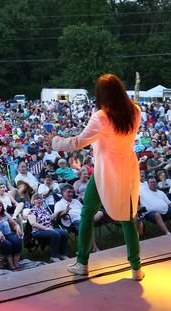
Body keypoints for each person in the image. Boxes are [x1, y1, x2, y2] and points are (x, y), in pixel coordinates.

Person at [51, 73, 144, 280]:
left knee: (87, 213)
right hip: (127, 168)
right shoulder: (135, 111)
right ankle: (136, 268)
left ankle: (82, 263)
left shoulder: (101, 117)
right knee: (128, 217)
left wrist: (56, 141)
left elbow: (78, 142)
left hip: (106, 171)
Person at [27, 194, 70, 262]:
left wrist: (64, 211)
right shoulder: (32, 210)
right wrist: (45, 228)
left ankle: (63, 254)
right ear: (33, 201)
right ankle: (54, 256)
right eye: (36, 199)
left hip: (49, 229)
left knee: (64, 233)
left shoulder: (43, 209)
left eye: (40, 198)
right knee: (55, 234)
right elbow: (33, 223)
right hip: (37, 231)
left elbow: (51, 217)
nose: (39, 200)